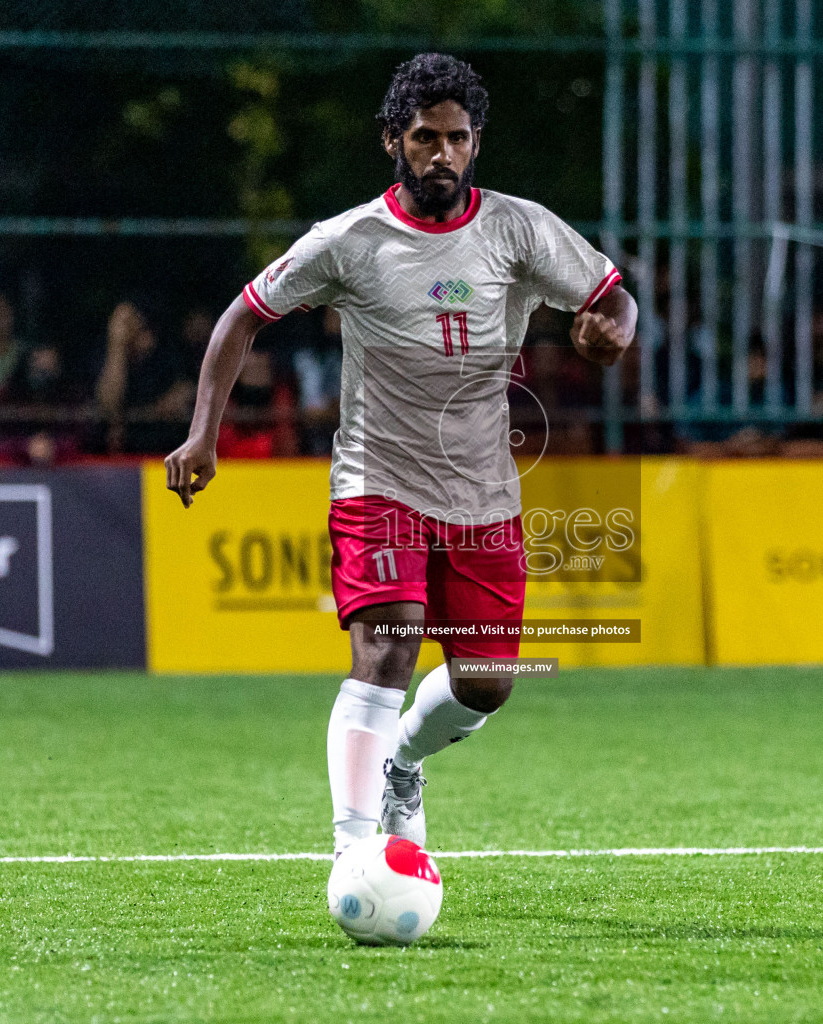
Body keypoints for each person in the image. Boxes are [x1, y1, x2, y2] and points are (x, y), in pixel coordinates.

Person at [163, 53, 637, 858]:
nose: (443, 154)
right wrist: (203, 433)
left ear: (475, 141)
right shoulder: (348, 241)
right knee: (388, 645)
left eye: (457, 138)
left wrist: (612, 332)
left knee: (488, 684)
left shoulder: (520, 229)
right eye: (425, 137)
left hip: (485, 496)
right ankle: (354, 850)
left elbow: (610, 297)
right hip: (376, 482)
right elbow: (241, 317)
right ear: (393, 140)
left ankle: (403, 765)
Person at [94, 299, 190, 454]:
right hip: (121, 452)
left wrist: (180, 396)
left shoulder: (166, 352)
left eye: (126, 322)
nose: (120, 328)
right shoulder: (106, 354)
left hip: (166, 448)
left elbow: (187, 387)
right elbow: (109, 404)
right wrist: (117, 346)